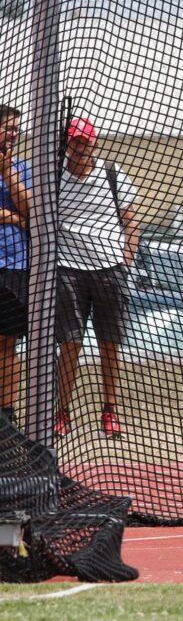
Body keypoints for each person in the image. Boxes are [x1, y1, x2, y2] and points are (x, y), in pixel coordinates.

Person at [52, 117, 140, 438]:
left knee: (110, 344)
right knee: (70, 343)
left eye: (85, 141)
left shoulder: (112, 174)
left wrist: (126, 260)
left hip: (109, 270)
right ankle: (62, 411)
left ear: (95, 142)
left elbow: (132, 222)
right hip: (68, 269)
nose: (80, 147)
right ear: (67, 143)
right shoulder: (55, 177)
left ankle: (109, 409)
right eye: (75, 141)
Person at [0, 105, 30, 428]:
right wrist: (10, 217)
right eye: (9, 128)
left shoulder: (22, 168)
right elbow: (19, 215)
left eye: (16, 129)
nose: (14, 134)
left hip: (15, 267)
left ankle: (7, 419)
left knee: (8, 342)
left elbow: (32, 211)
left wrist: (8, 172)